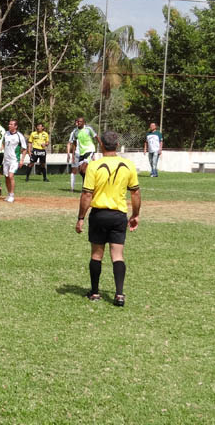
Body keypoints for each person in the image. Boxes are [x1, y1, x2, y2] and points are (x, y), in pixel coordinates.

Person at [76, 130, 141, 307]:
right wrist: (135, 215)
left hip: (99, 215)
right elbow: (135, 193)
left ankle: (95, 292)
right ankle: (119, 294)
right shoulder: (128, 165)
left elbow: (87, 194)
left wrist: (81, 217)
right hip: (119, 215)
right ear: (117, 145)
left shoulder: (94, 166)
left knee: (97, 254)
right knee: (117, 255)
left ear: (101, 145)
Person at [67, 117, 100, 193]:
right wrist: (73, 154)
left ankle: (87, 186)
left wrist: (101, 146)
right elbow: (74, 143)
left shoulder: (88, 129)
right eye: (78, 121)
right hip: (81, 153)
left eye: (80, 121)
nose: (79, 123)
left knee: (84, 168)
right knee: (81, 171)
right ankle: (88, 185)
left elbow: (96, 137)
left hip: (89, 150)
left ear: (84, 122)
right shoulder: (75, 131)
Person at [1, 119, 28, 203]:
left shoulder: (19, 136)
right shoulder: (6, 134)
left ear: (15, 126)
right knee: (6, 177)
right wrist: (2, 148)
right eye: (9, 124)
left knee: (11, 176)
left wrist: (22, 160)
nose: (9, 125)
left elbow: (24, 149)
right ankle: (9, 194)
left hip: (14, 160)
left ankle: (12, 195)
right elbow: (3, 143)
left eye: (11, 124)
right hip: (6, 159)